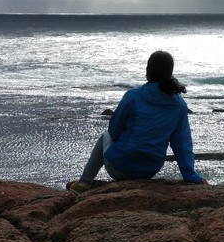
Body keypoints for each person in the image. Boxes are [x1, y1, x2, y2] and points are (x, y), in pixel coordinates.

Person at [67, 50, 206, 192]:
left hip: (119, 168)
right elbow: (182, 144)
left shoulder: (133, 96)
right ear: (170, 73)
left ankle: (84, 183)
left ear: (148, 71)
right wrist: (189, 174)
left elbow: (113, 130)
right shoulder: (179, 105)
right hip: (149, 170)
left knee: (105, 135)